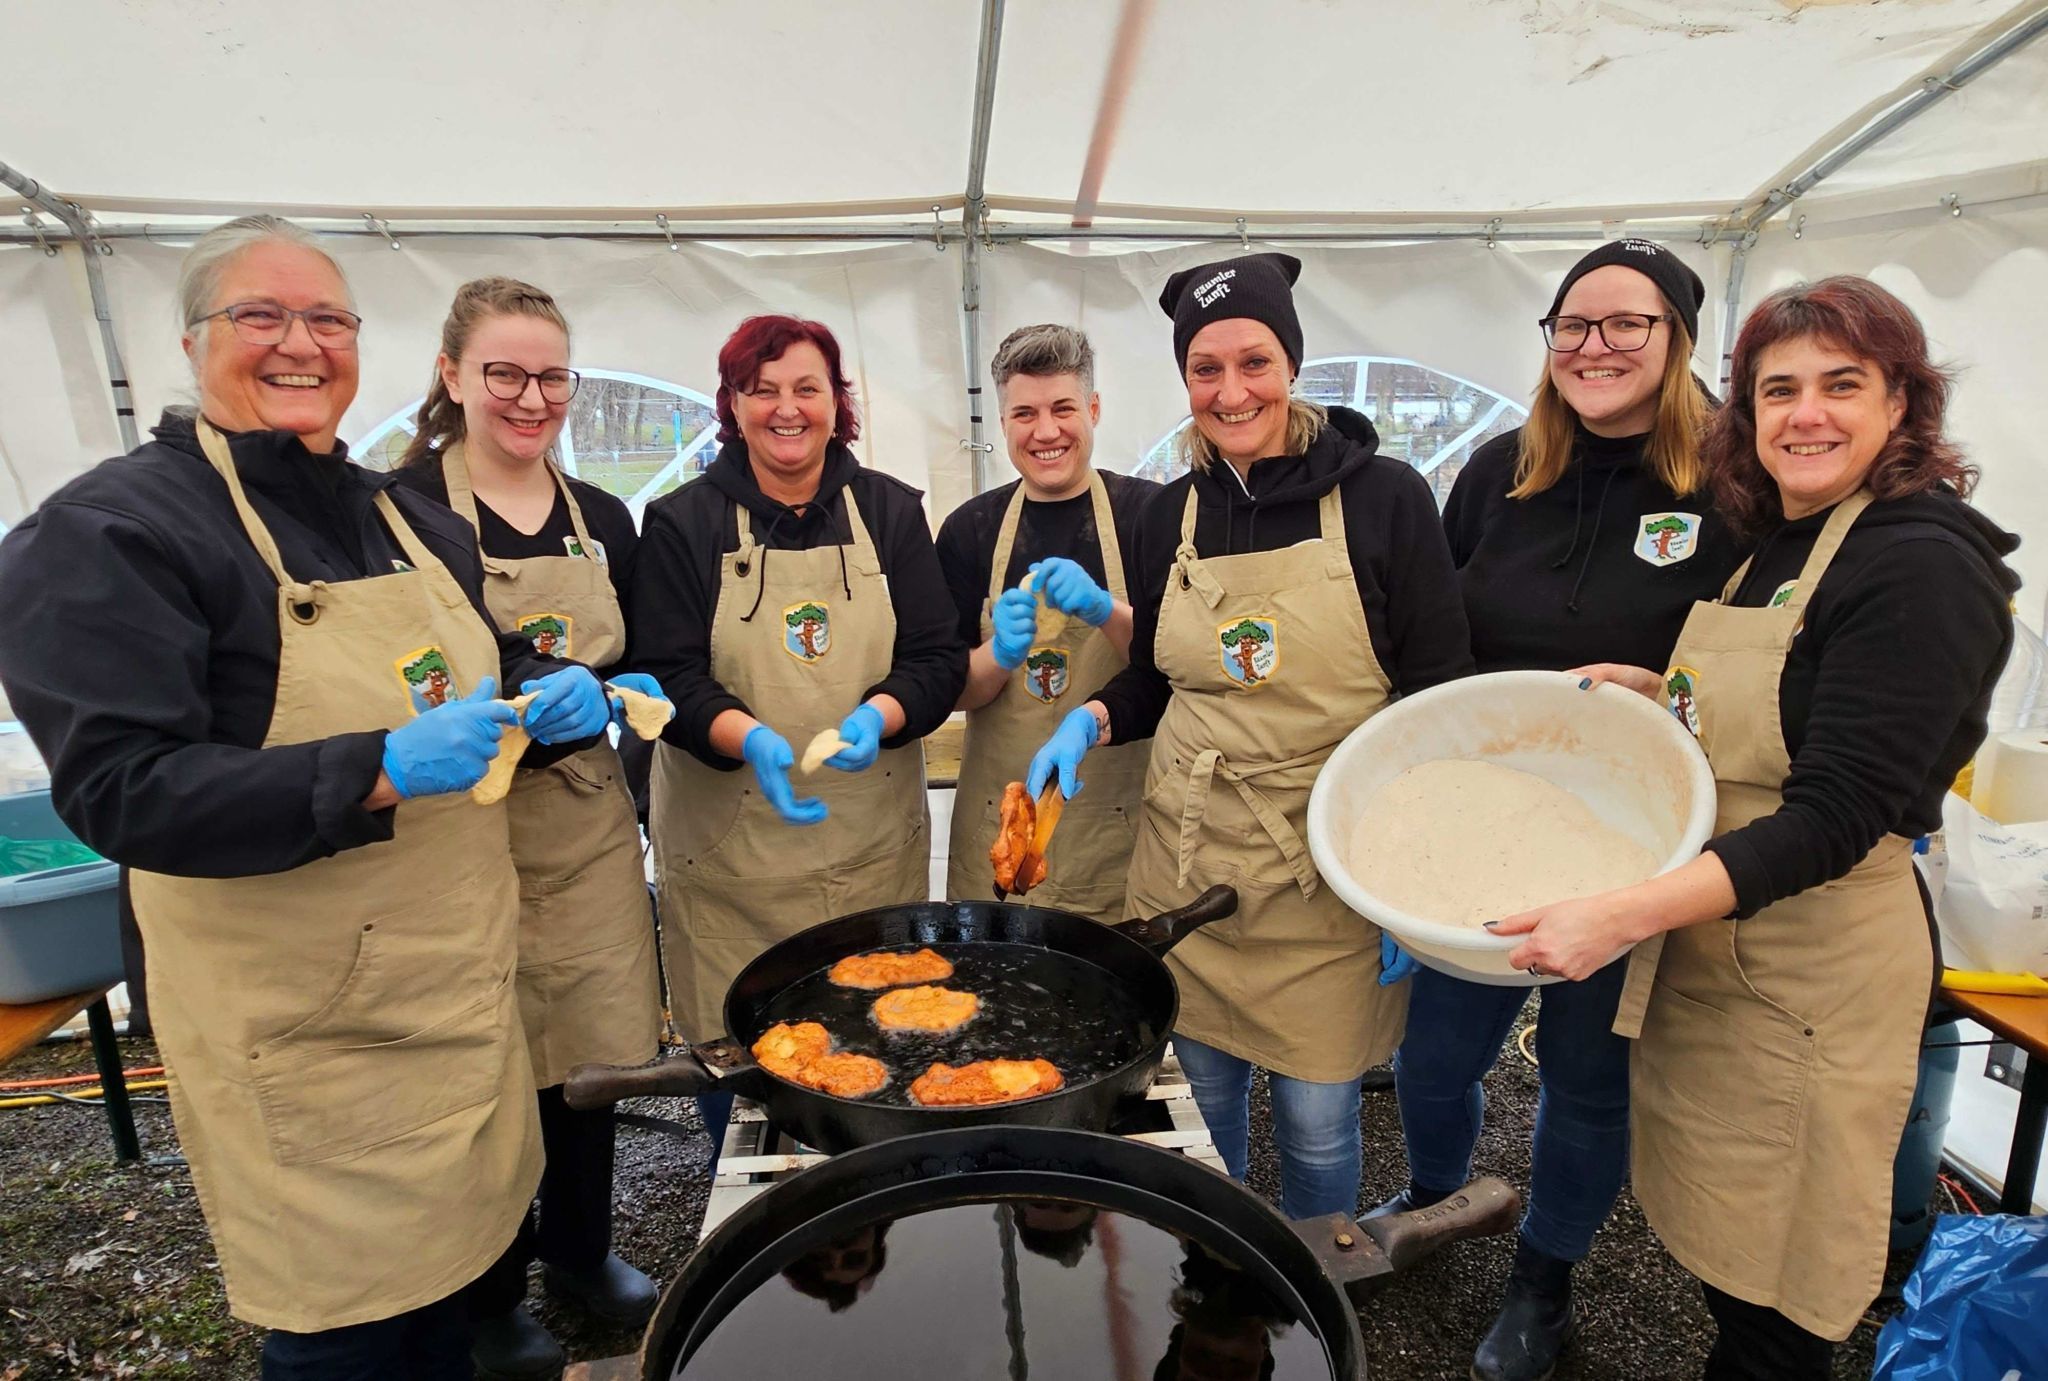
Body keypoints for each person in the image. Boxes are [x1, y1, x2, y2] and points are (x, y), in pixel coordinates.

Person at [0, 216, 613, 1378]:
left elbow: (482, 661)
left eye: (327, 319)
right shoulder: (108, 533)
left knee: (453, 1294)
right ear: (190, 340)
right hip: (309, 1036)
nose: (300, 343)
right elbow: (125, 792)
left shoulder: (396, 512)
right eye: (261, 315)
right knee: (356, 1334)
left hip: (453, 995)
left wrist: (549, 686)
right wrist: (377, 766)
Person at [1496, 276, 2017, 1378]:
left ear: (1901, 404)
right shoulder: (1777, 540)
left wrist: (1615, 913)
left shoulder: (1917, 558)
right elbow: (1778, 713)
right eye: (1775, 389)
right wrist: (1658, 692)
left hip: (1810, 978)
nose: (1804, 414)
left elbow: (1833, 812)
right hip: (1720, 962)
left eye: (1841, 384)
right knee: (1726, 1267)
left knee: (1782, 1302)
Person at [1027, 253, 1473, 1218]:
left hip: (1328, 870)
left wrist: (1411, 884)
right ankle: (1214, 1260)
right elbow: (1155, 670)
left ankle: (1320, 1278)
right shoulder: (1168, 509)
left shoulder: (1386, 498)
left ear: (1293, 364)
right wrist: (1092, 716)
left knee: (1318, 1119)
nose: (1231, 392)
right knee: (1201, 1101)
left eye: (1254, 362)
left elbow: (1440, 699)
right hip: (1185, 865)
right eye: (1205, 369)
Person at [1381, 240, 1744, 1380]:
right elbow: (1435, 630)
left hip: (1631, 837)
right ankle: (1442, 1197)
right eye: (1572, 325)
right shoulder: (1500, 468)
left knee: (1586, 1081)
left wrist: (1664, 691)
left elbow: (1755, 656)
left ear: (1676, 337)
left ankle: (1545, 1280)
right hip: (1483, 823)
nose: (1594, 347)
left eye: (1624, 324)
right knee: (1433, 1062)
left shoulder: (1733, 481)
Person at [392, 278, 667, 1375]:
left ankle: (580, 1252)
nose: (529, 396)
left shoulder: (602, 517)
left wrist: (632, 692)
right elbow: (398, 665)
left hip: (586, 821)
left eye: (550, 375)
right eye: (503, 372)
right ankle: (491, 1288)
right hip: (462, 827)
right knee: (488, 1062)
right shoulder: (400, 511)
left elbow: (643, 649)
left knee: (589, 1054)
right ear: (453, 374)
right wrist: (515, 682)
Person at [632, 313, 965, 1160]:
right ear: (733, 405)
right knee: (742, 1059)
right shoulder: (683, 522)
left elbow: (935, 657)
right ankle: (745, 1206)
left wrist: (877, 715)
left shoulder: (890, 512)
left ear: (836, 401)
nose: (788, 409)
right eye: (763, 389)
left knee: (879, 1044)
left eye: (806, 388)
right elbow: (667, 673)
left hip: (868, 846)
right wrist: (752, 739)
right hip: (730, 862)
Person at [936, 324, 1158, 917]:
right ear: (1002, 424)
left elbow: (1169, 668)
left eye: (1063, 408)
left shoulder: (1150, 517)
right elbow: (953, 691)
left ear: (1094, 408)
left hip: (1119, 827)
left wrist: (1106, 611)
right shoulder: (968, 530)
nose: (1046, 432)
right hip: (999, 825)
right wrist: (998, 657)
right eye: (1024, 414)